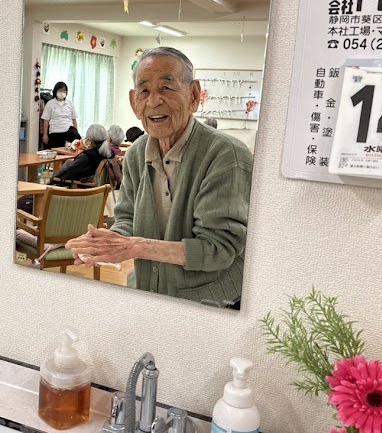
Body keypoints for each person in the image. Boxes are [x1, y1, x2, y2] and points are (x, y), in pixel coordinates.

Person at [67, 47, 253, 307]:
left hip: (211, 302)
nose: (154, 101)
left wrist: (136, 246)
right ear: (134, 101)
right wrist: (108, 243)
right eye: (144, 90)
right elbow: (128, 219)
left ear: (194, 95)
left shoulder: (226, 155)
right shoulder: (136, 153)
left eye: (166, 88)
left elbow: (218, 249)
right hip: (147, 290)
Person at [41, 81, 80, 148]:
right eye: (60, 90)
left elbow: (74, 120)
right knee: (56, 150)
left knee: (77, 142)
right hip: (55, 131)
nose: (62, 92)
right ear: (55, 91)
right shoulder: (50, 103)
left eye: (64, 90)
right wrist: (45, 135)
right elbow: (46, 120)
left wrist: (76, 133)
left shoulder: (70, 103)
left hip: (68, 130)